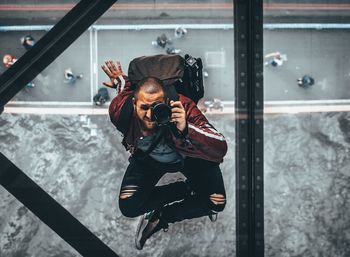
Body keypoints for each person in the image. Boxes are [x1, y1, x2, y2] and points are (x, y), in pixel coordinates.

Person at [101, 60, 227, 250]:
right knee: (129, 207)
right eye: (144, 107)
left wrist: (186, 128)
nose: (150, 115)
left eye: (157, 107)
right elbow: (124, 90)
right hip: (149, 158)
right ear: (134, 104)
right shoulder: (120, 111)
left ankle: (162, 217)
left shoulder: (182, 107)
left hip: (189, 158)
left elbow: (220, 146)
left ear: (168, 103)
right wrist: (119, 78)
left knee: (216, 203)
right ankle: (187, 190)